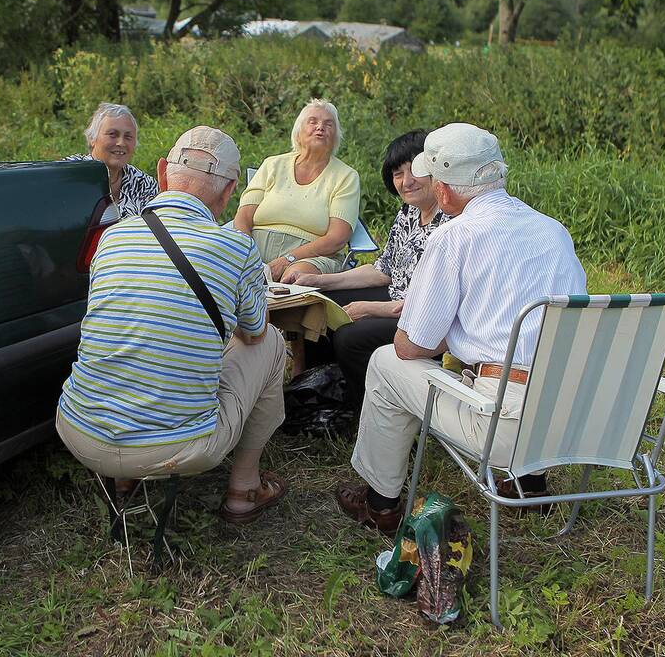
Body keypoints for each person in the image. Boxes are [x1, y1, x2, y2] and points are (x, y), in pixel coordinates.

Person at [335, 123, 587, 534]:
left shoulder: (454, 236)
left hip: (504, 423)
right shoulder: (553, 230)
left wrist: (448, 332)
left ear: (445, 191)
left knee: (385, 362)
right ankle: (529, 482)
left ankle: (380, 504)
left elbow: (413, 346)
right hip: (576, 416)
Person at [57, 126, 289, 524]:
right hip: (175, 450)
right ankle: (244, 490)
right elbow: (254, 332)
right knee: (274, 344)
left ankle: (123, 481)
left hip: (80, 431)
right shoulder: (237, 247)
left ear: (163, 172)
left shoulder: (111, 238)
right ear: (230, 189)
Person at [288, 130, 448, 404]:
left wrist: (370, 308)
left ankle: (371, 409)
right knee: (319, 303)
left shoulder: (449, 223)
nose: (406, 182)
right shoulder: (408, 213)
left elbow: (434, 302)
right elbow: (383, 269)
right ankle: (322, 392)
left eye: (415, 171)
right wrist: (319, 281)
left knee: (351, 337)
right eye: (398, 174)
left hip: (424, 317)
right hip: (396, 297)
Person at [232, 99, 360, 283]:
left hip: (312, 257)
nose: (320, 127)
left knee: (294, 277)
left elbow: (337, 238)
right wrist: (250, 256)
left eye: (328, 124)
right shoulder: (272, 165)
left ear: (336, 137)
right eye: (313, 121)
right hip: (253, 251)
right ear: (298, 133)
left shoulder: (346, 176)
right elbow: (242, 218)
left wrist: (288, 259)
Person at [62, 102, 158, 219]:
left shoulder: (145, 185)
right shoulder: (68, 173)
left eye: (128, 137)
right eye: (112, 134)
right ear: (92, 138)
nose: (121, 143)